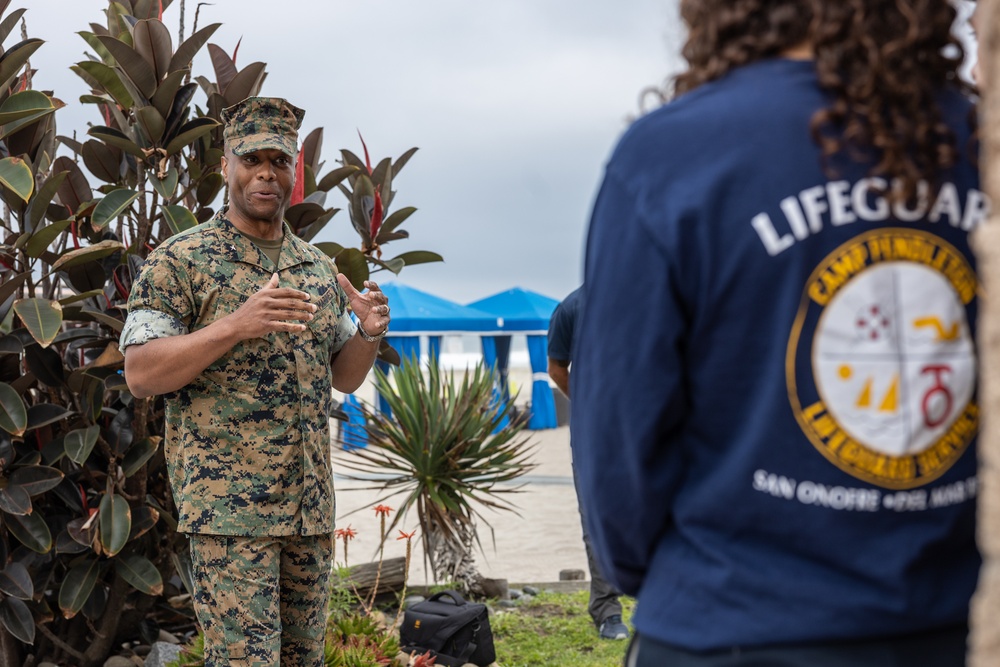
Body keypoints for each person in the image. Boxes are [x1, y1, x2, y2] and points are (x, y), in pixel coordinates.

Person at [571, 2, 988, 666]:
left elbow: (618, 449)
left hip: (730, 623)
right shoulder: (977, 142)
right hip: (952, 624)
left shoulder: (671, 156)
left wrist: (689, 581)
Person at [120, 97, 391, 666]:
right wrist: (235, 326)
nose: (266, 173)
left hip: (308, 511)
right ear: (226, 166)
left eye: (279, 160)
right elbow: (142, 373)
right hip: (229, 518)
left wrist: (367, 332)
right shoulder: (182, 260)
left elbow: (343, 378)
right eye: (252, 159)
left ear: (294, 173)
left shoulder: (316, 268)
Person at [547, 285, 630, 641]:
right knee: (597, 519)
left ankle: (663, 602)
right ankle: (607, 610)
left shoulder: (653, 294)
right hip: (593, 434)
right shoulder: (571, 307)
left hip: (652, 427)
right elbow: (556, 367)